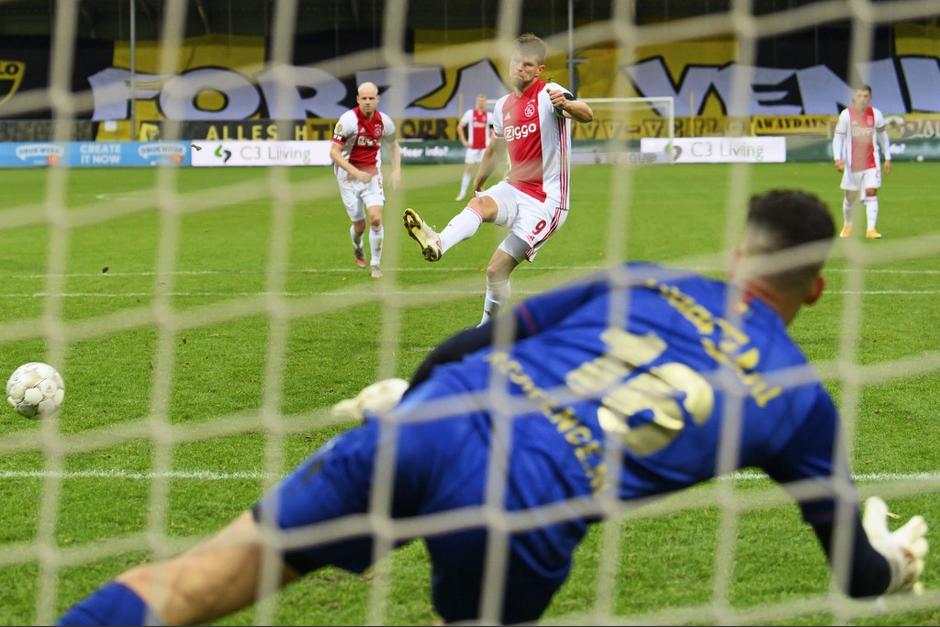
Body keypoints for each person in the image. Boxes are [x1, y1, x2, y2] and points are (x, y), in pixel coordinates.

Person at [58, 190, 928, 627]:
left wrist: (410, 393)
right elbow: (854, 575)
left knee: (193, 581)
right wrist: (894, 555)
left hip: (436, 421)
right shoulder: (800, 399)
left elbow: (474, 343)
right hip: (528, 505)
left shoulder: (650, 280)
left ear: (740, 250)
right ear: (814, 288)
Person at [403, 33, 594, 326]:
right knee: (478, 205)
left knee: (496, 271)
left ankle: (486, 329)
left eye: (528, 65)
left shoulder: (550, 93)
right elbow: (495, 147)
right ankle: (438, 241)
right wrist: (480, 180)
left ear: (539, 69)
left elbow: (587, 113)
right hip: (513, 187)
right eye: (517, 62)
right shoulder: (503, 105)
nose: (521, 68)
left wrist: (568, 105)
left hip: (546, 202)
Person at [330, 81, 402, 278]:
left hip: (371, 176)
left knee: (376, 219)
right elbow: (334, 153)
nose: (368, 102)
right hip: (347, 178)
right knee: (360, 226)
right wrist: (355, 171)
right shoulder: (347, 121)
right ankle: (357, 245)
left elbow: (394, 146)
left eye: (372, 98)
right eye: (364, 98)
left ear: (377, 99)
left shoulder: (385, 122)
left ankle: (375, 264)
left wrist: (396, 171)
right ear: (358, 99)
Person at [832, 84, 892, 240]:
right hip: (852, 164)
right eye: (859, 96)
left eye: (866, 96)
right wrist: (837, 158)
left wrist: (888, 157)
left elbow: (882, 137)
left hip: (872, 162)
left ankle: (871, 229)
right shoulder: (846, 115)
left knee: (872, 191)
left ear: (870, 98)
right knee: (850, 196)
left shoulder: (876, 114)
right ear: (854, 98)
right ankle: (847, 225)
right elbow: (838, 138)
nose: (863, 99)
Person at [455, 94, 495, 201]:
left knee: (482, 172)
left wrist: (492, 140)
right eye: (479, 100)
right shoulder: (470, 114)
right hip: (472, 147)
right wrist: (464, 141)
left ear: (485, 102)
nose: (481, 102)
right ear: (477, 101)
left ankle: (481, 193)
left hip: (484, 148)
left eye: (483, 101)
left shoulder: (489, 116)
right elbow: (459, 127)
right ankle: (462, 193)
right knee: (468, 169)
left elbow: (495, 129)